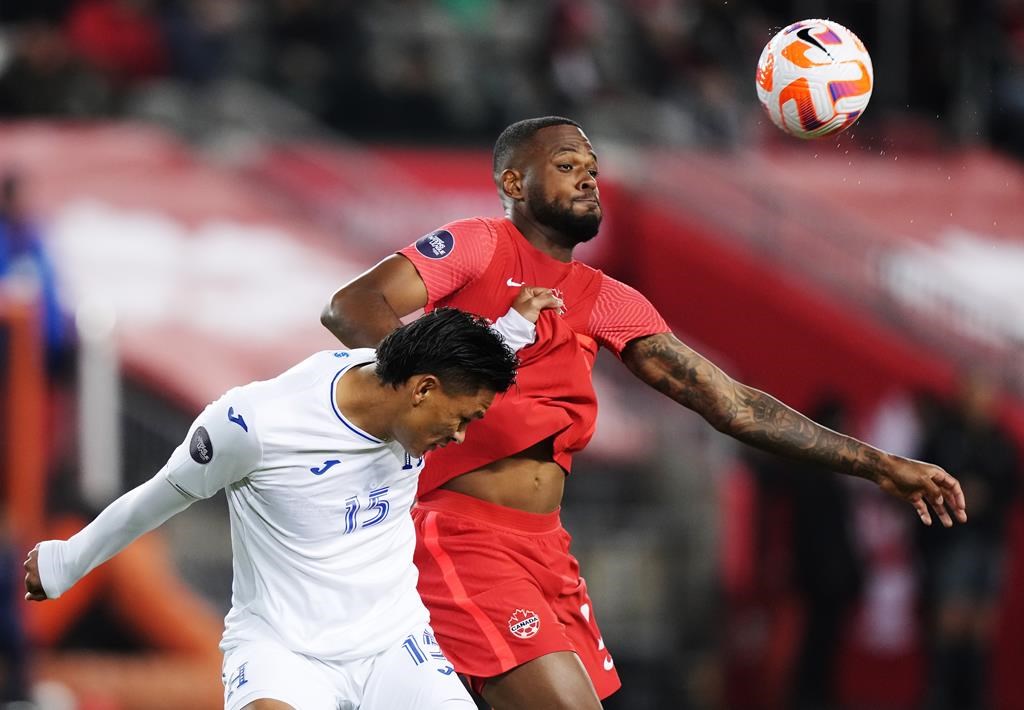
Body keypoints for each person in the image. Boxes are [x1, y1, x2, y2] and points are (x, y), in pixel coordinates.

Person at [320, 115, 969, 709]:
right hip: (460, 537)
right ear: (514, 180)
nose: (588, 178)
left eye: (594, 169)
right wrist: (448, 388)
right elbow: (352, 307)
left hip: (545, 551)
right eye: (568, 165)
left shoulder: (607, 300)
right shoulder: (476, 247)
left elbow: (733, 405)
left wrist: (878, 464)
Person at [23, 303, 559, 710]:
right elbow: (155, 499)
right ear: (421, 391)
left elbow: (458, 361)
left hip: (394, 644)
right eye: (462, 419)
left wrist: (512, 327)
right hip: (284, 651)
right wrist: (68, 560)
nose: (461, 437)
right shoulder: (254, 425)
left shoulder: (411, 384)